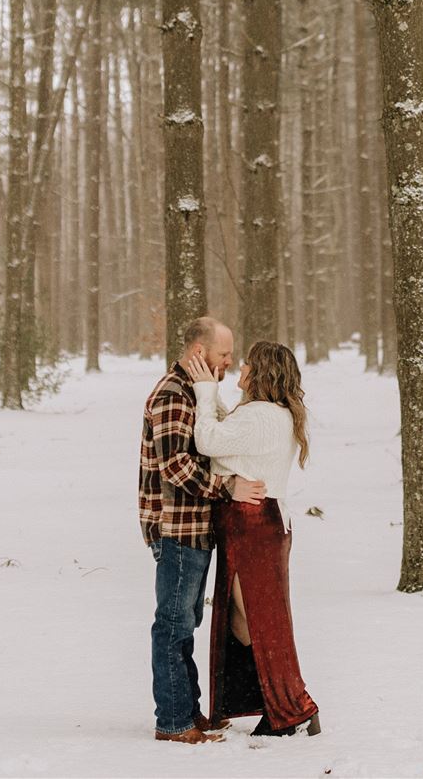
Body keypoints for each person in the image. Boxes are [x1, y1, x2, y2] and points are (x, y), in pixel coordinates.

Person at [186, 339, 320, 738]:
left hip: (253, 524)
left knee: (263, 623)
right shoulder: (271, 414)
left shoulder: (260, 415)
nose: (239, 370)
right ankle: (275, 702)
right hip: (261, 523)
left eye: (246, 365)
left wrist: (205, 392)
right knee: (245, 620)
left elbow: (207, 441)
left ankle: (294, 709)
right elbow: (231, 437)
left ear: (260, 373)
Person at [139, 316, 264, 744]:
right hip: (177, 528)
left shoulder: (192, 392)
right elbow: (176, 466)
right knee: (172, 625)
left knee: (185, 621)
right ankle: (174, 722)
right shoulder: (173, 395)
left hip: (194, 527)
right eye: (224, 354)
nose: (230, 361)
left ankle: (188, 712)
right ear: (199, 353)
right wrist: (228, 487)